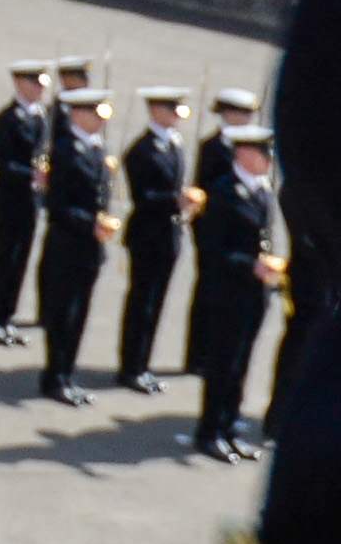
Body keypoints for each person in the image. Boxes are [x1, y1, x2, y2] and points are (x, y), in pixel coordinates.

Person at [185, 132, 283, 468]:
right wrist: (250, 265)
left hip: (255, 295)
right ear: (243, 154)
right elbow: (214, 251)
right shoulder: (225, 192)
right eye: (263, 154)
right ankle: (209, 431)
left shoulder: (261, 190)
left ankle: (228, 427)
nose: (268, 162)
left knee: (240, 365)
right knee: (222, 364)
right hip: (228, 292)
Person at [37, 91, 121, 409]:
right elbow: (57, 206)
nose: (101, 120)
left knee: (79, 312)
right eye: (95, 113)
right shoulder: (66, 151)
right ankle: (54, 376)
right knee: (63, 313)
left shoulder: (97, 149)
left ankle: (67, 373)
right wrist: (91, 224)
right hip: (67, 244)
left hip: (88, 246)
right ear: (78, 114)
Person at [115, 87, 195, 394]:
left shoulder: (174, 144)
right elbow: (143, 197)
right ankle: (131, 365)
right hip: (147, 234)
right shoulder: (142, 150)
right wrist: (175, 201)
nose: (176, 116)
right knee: (142, 302)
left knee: (157, 302)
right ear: (155, 111)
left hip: (168, 234)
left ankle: (143, 364)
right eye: (171, 109)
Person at [0, 64, 55, 341]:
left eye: (42, 84)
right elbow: (4, 165)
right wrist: (33, 175)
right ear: (19, 83)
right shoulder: (7, 120)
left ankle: (6, 315)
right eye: (34, 83)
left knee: (20, 259)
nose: (40, 88)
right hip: (9, 199)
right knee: (5, 258)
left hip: (30, 200)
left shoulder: (41, 117)